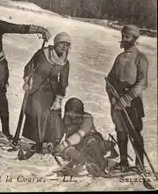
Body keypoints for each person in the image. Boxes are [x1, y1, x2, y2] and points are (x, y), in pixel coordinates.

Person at [0, 9, 51, 151]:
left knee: (1, 96)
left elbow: (19, 28)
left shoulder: (1, 25)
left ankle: (6, 131)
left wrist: (40, 30)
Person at [20, 32, 71, 158]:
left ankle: (48, 142)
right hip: (37, 87)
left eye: (67, 45)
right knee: (37, 113)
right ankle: (37, 142)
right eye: (62, 44)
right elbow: (29, 66)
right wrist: (27, 79)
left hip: (52, 90)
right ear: (55, 43)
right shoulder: (43, 53)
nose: (64, 47)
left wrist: (59, 97)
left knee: (51, 115)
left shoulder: (65, 61)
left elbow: (63, 82)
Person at [106, 24, 149, 172]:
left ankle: (140, 164)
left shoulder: (140, 58)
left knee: (134, 131)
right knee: (120, 131)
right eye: (123, 36)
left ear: (134, 39)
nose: (124, 39)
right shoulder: (119, 57)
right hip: (117, 102)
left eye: (127, 37)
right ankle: (124, 162)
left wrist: (126, 99)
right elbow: (110, 79)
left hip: (133, 103)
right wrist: (112, 97)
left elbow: (142, 83)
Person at [53, 98, 117, 177]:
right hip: (78, 146)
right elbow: (59, 133)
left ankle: (103, 164)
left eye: (74, 113)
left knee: (91, 142)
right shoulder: (66, 119)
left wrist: (65, 143)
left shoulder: (87, 117)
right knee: (68, 150)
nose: (71, 115)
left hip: (92, 142)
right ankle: (82, 164)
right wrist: (55, 144)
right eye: (70, 112)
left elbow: (81, 133)